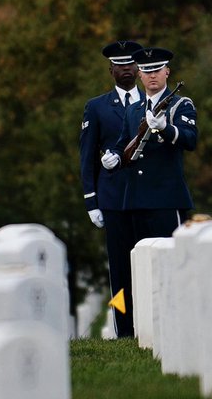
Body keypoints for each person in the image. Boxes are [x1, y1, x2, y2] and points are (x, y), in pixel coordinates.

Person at [101, 46, 197, 334]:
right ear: (140, 75)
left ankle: (174, 327)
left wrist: (166, 128)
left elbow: (190, 139)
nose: (152, 76)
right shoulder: (133, 110)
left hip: (165, 199)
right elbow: (122, 143)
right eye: (147, 71)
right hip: (134, 200)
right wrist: (114, 157)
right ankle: (136, 329)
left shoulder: (181, 105)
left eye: (157, 70)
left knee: (169, 265)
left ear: (167, 72)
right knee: (136, 269)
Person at [80, 40, 145, 338]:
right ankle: (124, 329)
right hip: (114, 198)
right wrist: (91, 201)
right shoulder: (96, 107)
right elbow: (88, 155)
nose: (126, 69)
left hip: (147, 196)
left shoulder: (152, 103)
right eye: (120, 65)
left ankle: (149, 324)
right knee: (120, 269)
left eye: (131, 64)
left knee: (147, 262)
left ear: (139, 68)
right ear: (111, 70)